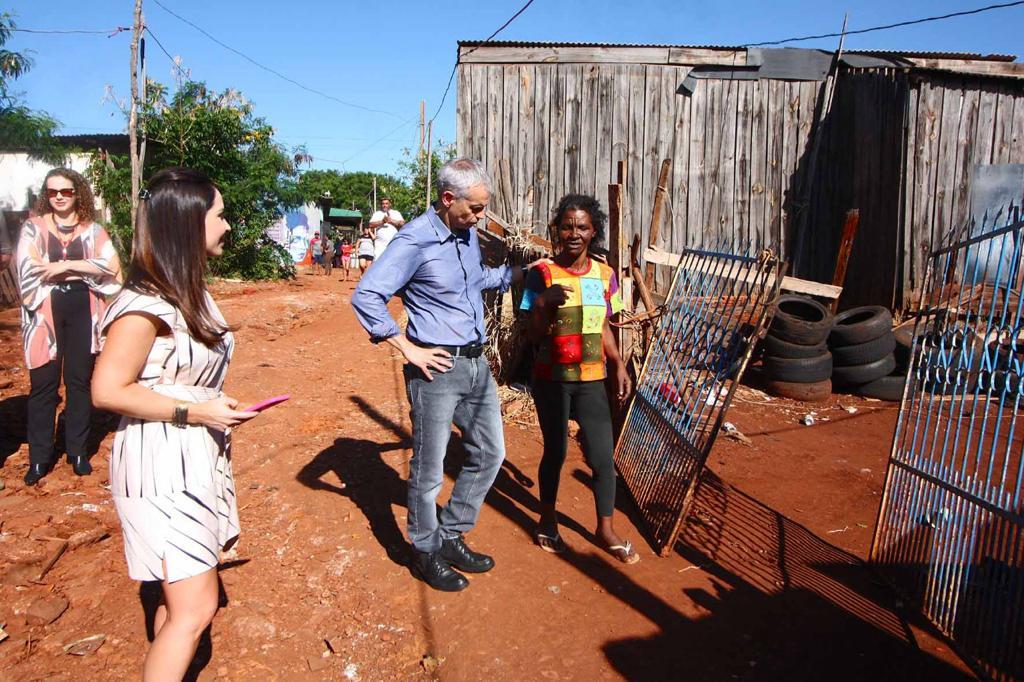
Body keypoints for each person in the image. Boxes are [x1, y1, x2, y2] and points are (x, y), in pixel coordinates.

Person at [92, 168, 258, 680]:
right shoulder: (145, 304)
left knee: (179, 602)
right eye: (219, 214)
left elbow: (178, 376)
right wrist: (196, 410)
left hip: (190, 455)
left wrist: (209, 405)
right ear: (189, 224)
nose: (228, 225)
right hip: (162, 464)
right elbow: (107, 390)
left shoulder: (187, 290)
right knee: (195, 610)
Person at [352, 158, 534, 592]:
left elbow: (471, 283)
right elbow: (366, 297)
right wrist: (407, 348)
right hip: (436, 370)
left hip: (476, 365)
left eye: (484, 209)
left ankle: (451, 533)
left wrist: (512, 275)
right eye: (474, 209)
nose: (480, 218)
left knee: (490, 454)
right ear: (448, 199)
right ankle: (424, 550)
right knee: (429, 470)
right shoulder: (413, 240)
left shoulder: (465, 233)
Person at [520, 194, 638, 564]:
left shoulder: (605, 274)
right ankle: (548, 517)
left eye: (582, 227)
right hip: (551, 378)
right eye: (567, 226)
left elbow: (603, 325)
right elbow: (533, 337)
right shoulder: (540, 274)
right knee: (555, 451)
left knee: (603, 457)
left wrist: (618, 363)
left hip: (592, 378)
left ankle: (605, 529)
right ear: (557, 229)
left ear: (594, 231)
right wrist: (542, 304)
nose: (574, 233)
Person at [16, 168, 122, 486]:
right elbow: (30, 270)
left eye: (66, 191)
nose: (59, 197)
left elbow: (112, 266)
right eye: (52, 192)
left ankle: (78, 451)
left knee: (78, 382)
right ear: (45, 196)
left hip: (83, 309)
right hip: (43, 313)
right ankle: (39, 457)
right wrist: (85, 268)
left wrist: (65, 266)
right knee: (44, 385)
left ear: (78, 193)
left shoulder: (93, 230)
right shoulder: (32, 229)